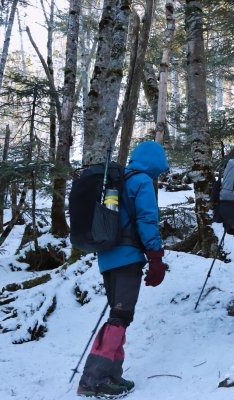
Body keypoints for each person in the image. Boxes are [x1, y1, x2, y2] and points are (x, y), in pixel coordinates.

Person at [77, 141, 169, 398]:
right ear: (154, 162)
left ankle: (109, 375)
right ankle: (96, 381)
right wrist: (156, 257)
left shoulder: (117, 180)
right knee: (120, 316)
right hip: (127, 257)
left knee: (119, 316)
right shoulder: (141, 182)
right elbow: (147, 220)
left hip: (106, 256)